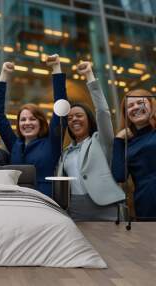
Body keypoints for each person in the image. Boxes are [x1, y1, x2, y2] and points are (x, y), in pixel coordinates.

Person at [56, 61, 125, 221]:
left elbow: (103, 111)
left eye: (79, 115)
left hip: (105, 207)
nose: (74, 120)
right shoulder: (65, 152)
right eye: (70, 118)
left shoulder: (101, 141)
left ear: (89, 119)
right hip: (75, 209)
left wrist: (89, 76)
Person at [0, 55, 66, 196]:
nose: (27, 123)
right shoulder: (15, 144)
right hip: (19, 202)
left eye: (32, 119)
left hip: (46, 202)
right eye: (23, 120)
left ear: (41, 122)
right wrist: (4, 75)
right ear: (18, 124)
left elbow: (61, 110)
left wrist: (56, 68)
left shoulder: (52, 141)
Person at [112, 89, 156, 219]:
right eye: (130, 106)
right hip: (146, 206)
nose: (135, 107)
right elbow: (119, 175)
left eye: (140, 103)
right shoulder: (128, 143)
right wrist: (119, 140)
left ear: (151, 105)